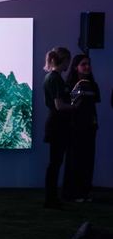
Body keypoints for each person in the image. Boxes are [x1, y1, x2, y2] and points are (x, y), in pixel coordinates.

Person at [42, 47, 79, 208]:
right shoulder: (56, 78)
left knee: (54, 163)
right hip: (58, 125)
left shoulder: (49, 77)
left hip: (55, 124)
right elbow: (59, 106)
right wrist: (75, 106)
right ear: (63, 60)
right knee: (55, 163)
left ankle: (51, 198)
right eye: (68, 61)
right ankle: (51, 199)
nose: (68, 65)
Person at [63, 54, 99, 202]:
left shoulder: (92, 84)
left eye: (88, 64)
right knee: (74, 160)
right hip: (75, 128)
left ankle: (85, 192)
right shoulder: (72, 84)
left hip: (90, 127)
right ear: (76, 66)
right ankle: (73, 193)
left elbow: (93, 105)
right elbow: (71, 105)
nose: (87, 67)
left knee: (88, 161)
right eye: (83, 64)